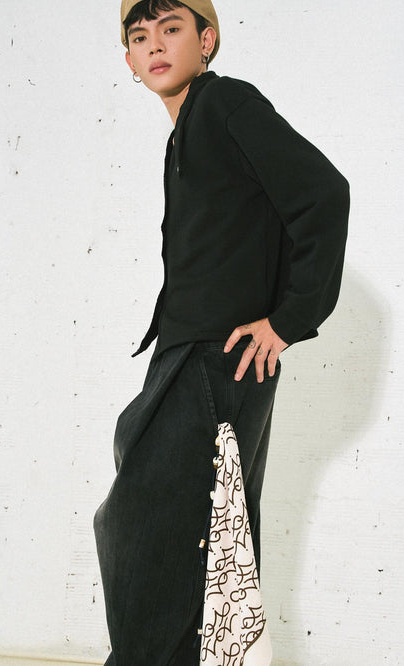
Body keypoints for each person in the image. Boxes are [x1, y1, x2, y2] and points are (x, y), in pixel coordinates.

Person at [93, 1, 350, 664]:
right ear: (128, 60)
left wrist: (288, 319)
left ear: (206, 40)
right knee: (198, 536)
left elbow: (323, 193)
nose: (154, 45)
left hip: (218, 357)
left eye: (171, 28)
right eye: (139, 36)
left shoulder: (224, 103)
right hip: (192, 352)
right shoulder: (189, 129)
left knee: (157, 531)